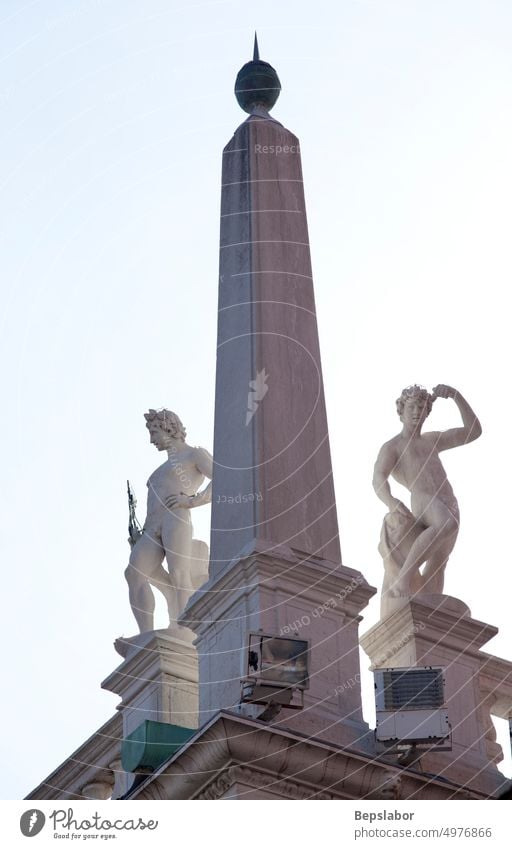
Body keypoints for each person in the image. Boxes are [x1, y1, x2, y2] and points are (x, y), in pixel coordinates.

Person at [373, 384, 481, 600]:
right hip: (422, 499)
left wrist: (456, 396)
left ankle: (428, 604)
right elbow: (378, 479)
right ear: (401, 411)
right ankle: (401, 582)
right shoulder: (393, 446)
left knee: (439, 562)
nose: (417, 412)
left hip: (449, 502)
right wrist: (391, 502)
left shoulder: (432, 440)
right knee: (445, 524)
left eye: (422, 407)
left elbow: (473, 431)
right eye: (412, 406)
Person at [124, 409, 212, 633]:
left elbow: (223, 478)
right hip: (151, 527)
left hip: (176, 516)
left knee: (179, 573)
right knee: (134, 573)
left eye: (154, 432)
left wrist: (192, 501)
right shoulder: (159, 471)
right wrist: (140, 534)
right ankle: (146, 636)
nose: (151, 439)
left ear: (169, 429)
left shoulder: (194, 454)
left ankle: (185, 631)